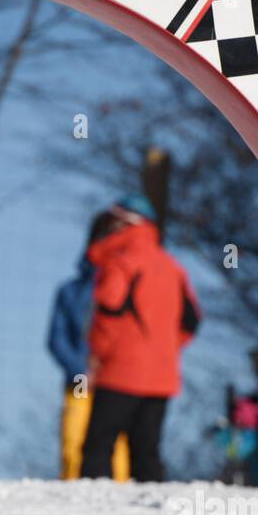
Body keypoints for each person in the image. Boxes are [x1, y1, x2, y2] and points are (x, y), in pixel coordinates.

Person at [81, 195, 200, 482]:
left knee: (98, 448)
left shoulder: (121, 263)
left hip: (119, 372)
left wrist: (98, 356)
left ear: (125, 222)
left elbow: (108, 312)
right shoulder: (173, 268)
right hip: (161, 378)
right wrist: (165, 350)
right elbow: (192, 321)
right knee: (147, 454)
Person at [47, 212, 130, 481]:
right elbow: (56, 340)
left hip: (117, 384)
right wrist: (81, 369)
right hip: (79, 383)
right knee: (74, 449)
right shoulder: (71, 290)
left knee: (118, 456)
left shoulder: (130, 288)